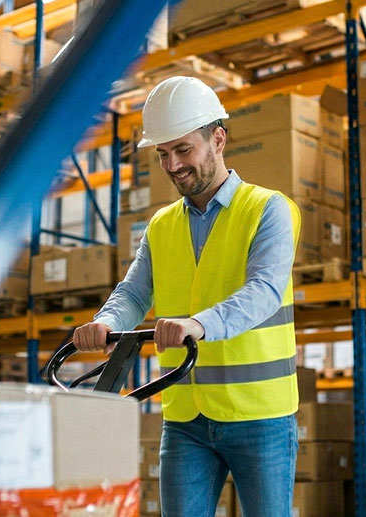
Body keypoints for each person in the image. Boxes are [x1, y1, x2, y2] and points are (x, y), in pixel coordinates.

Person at [71, 76, 300, 517]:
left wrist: (199, 324)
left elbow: (265, 290)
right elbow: (134, 292)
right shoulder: (161, 225)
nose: (172, 165)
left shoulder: (269, 209)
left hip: (260, 417)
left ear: (217, 139)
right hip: (185, 418)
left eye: (182, 150)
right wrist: (105, 321)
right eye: (162, 154)